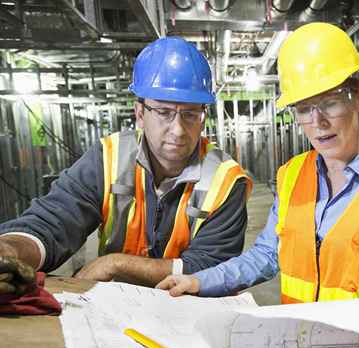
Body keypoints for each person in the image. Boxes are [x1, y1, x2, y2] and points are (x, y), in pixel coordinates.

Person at [157, 22, 359, 348]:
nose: (318, 122)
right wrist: (200, 281)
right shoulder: (293, 175)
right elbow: (267, 255)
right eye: (304, 109)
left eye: (329, 103)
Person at [0, 36, 251, 293]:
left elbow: (214, 267)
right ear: (140, 114)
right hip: (114, 307)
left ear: (203, 117)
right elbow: (56, 220)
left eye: (189, 114)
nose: (178, 129)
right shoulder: (109, 157)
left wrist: (117, 264)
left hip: (191, 312)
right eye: (164, 112)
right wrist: (11, 249)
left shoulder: (225, 180)